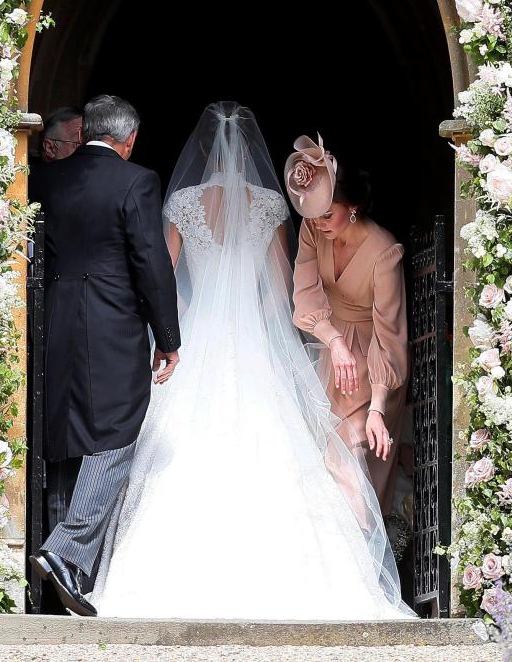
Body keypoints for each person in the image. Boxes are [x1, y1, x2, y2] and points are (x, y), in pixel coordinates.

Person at [90, 102, 414, 620]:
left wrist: (180, 326)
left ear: (200, 151)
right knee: (281, 448)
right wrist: (270, 338)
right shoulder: (268, 206)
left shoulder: (185, 203)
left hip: (193, 341)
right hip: (255, 347)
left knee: (177, 447)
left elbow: (164, 278)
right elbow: (278, 288)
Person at [28, 95, 181, 617]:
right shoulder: (136, 181)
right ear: (130, 139)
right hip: (113, 323)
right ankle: (64, 553)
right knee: (117, 431)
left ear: (87, 130)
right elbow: (151, 261)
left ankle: (62, 572)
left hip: (56, 320)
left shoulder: (49, 180)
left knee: (69, 433)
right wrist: (167, 336)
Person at [289, 134, 409, 516]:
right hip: (328, 351)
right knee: (317, 458)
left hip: (373, 366)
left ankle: (360, 561)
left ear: (353, 207)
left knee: (352, 456)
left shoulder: (383, 252)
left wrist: (377, 407)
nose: (319, 224)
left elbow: (389, 335)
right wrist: (334, 341)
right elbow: (305, 292)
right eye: (314, 215)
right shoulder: (312, 230)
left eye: (328, 214)